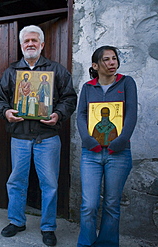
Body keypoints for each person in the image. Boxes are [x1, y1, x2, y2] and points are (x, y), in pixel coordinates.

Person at [0, 25, 77, 246]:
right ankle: (16, 221)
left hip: (47, 137)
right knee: (16, 182)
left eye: (34, 40)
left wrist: (58, 114)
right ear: (21, 46)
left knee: (49, 183)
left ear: (42, 44)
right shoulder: (12, 72)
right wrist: (6, 112)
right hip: (19, 137)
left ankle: (48, 226)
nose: (30, 44)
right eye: (26, 41)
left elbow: (69, 98)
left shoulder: (56, 70)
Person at [76, 46, 137, 247]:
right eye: (106, 60)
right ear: (95, 65)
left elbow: (130, 115)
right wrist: (88, 139)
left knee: (111, 204)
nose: (112, 63)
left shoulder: (126, 83)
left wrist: (120, 140)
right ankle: (86, 243)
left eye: (114, 59)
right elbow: (82, 115)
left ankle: (107, 244)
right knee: (89, 205)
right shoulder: (88, 87)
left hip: (119, 153)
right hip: (91, 153)